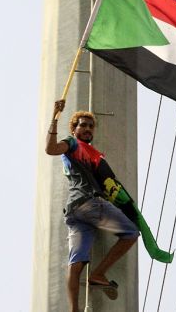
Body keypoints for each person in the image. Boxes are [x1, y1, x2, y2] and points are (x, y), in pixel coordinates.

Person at [45, 99, 139, 311]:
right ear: (74, 128)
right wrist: (54, 117)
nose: (87, 128)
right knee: (131, 233)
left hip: (74, 212)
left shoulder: (92, 153)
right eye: (82, 125)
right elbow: (50, 149)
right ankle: (98, 274)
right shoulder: (72, 144)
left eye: (90, 126)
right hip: (89, 202)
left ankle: (74, 310)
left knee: (76, 262)